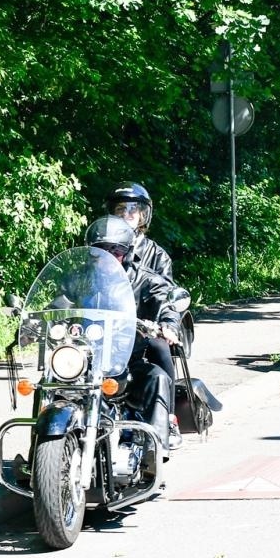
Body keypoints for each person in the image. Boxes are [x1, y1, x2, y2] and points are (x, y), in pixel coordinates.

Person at [85, 215, 181, 470]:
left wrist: (168, 324)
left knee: (157, 377)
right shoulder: (81, 279)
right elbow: (60, 301)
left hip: (126, 361)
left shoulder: (145, 278)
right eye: (101, 250)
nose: (108, 255)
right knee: (50, 386)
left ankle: (155, 451)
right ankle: (37, 458)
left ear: (126, 252)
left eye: (115, 250)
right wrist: (34, 324)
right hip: (85, 362)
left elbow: (166, 302)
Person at [107, 182, 173, 282]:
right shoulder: (103, 246)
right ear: (113, 213)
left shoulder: (157, 255)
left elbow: (165, 294)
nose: (125, 213)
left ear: (142, 215)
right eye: (120, 208)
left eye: (132, 209)